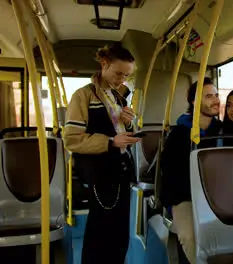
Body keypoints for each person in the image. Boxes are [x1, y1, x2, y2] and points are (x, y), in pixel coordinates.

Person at [63, 43, 139, 264]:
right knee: (100, 232)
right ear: (104, 64)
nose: (121, 79)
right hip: (101, 172)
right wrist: (110, 142)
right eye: (118, 73)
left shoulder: (119, 97)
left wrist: (129, 125)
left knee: (120, 232)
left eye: (126, 75)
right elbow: (72, 140)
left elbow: (120, 135)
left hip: (122, 170)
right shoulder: (83, 96)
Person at [160, 77, 222, 264]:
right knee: (189, 236)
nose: (216, 100)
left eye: (216, 95)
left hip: (219, 193)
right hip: (186, 196)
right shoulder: (179, 134)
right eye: (209, 96)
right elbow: (171, 174)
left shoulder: (223, 130)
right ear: (194, 102)